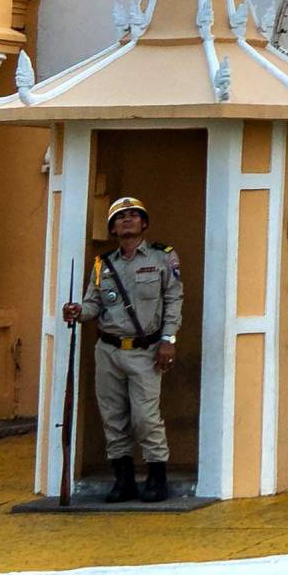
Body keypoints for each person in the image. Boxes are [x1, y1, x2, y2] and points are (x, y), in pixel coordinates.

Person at [61, 196, 183, 504]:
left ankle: (157, 477)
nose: (127, 220)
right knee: (113, 418)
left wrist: (169, 340)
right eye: (120, 217)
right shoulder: (104, 264)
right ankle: (124, 479)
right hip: (108, 349)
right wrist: (78, 311)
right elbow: (94, 303)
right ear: (113, 228)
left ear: (144, 223)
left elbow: (173, 301)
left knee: (145, 417)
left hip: (146, 350)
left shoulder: (162, 258)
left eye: (133, 215)